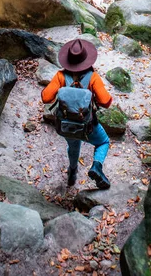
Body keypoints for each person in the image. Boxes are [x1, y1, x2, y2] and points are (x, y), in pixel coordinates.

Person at [41, 38, 112, 189]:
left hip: (66, 125)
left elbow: (46, 98)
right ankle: (96, 167)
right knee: (103, 142)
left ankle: (72, 170)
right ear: (86, 60)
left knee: (73, 145)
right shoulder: (93, 77)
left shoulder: (60, 76)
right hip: (88, 125)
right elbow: (106, 102)